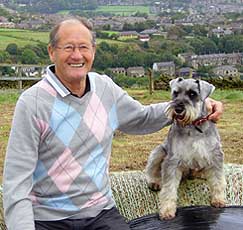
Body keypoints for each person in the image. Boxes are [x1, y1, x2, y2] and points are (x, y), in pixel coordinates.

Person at [3, 17, 223, 230]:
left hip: (100, 213)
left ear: (93, 51)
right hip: (47, 219)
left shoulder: (105, 88)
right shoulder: (32, 103)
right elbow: (16, 180)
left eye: (83, 47)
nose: (77, 55)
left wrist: (195, 106)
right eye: (68, 47)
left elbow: (142, 118)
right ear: (52, 51)